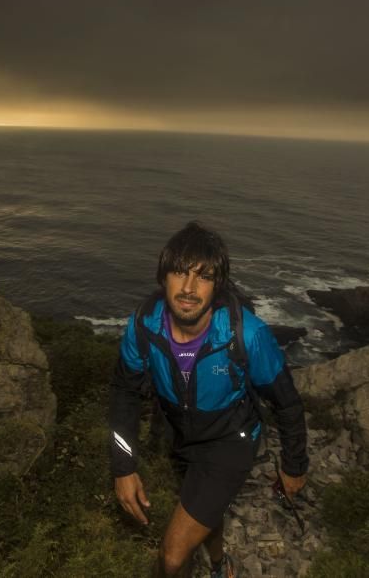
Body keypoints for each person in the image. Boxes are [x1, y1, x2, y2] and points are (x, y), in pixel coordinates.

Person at [109, 222, 309, 578]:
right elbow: (124, 391)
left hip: (230, 440)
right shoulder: (143, 325)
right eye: (179, 272)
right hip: (180, 436)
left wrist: (294, 465)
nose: (188, 288)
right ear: (162, 277)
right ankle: (219, 565)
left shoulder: (247, 334)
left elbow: (286, 401)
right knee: (203, 510)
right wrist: (123, 467)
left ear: (219, 286)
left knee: (172, 556)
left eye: (203, 276)